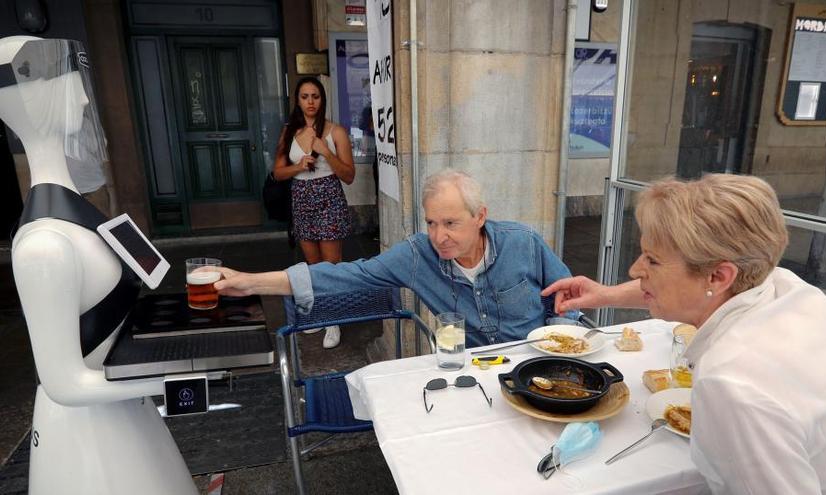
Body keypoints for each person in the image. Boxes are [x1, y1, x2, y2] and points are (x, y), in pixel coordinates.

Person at [542, 174, 826, 494]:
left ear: (718, 276)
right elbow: (695, 288)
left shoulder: (733, 382)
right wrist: (605, 294)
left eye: (653, 261)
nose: (635, 269)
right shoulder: (781, 283)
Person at [3, 36, 196, 494]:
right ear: (23, 98)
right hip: (87, 443)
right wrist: (179, 381)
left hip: (126, 415)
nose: (87, 97)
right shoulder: (42, 245)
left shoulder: (76, 215)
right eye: (71, 82)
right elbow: (63, 384)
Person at [214, 169, 574, 347]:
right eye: (431, 223)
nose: (439, 237)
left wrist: (565, 345)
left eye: (450, 223)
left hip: (535, 361)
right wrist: (250, 282)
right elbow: (343, 276)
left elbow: (567, 300)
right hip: (472, 374)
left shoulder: (523, 242)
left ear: (480, 216)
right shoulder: (419, 255)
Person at [273, 76, 356, 348]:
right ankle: (321, 314)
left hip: (328, 196)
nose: (310, 102)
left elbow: (349, 176)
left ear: (322, 99)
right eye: (305, 96)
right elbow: (278, 172)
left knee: (331, 266)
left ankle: (334, 319)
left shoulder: (336, 132)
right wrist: (299, 166)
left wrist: (325, 152)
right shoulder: (289, 132)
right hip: (301, 198)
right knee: (312, 266)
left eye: (316, 96)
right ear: (298, 100)